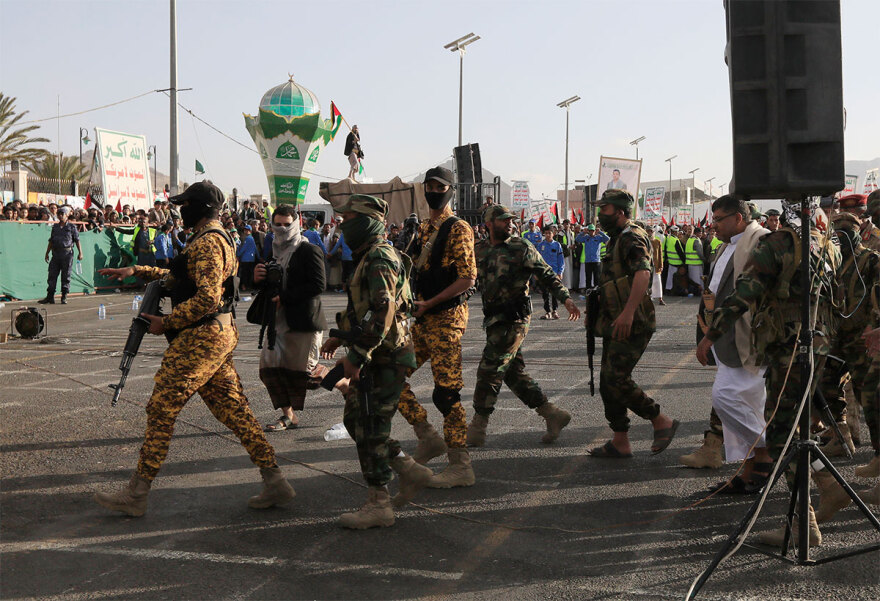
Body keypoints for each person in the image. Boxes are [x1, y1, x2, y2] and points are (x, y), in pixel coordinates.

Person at [94, 181, 294, 517]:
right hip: (215, 334)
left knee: (161, 408)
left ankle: (137, 494)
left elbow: (206, 298)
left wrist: (167, 323)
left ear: (200, 208)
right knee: (234, 409)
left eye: (185, 204)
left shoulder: (207, 242)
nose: (181, 210)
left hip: (201, 337)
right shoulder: (211, 238)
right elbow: (181, 280)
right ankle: (274, 480)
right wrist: (137, 270)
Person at [696, 198, 845, 546]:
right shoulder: (828, 246)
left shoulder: (777, 246)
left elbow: (742, 295)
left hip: (787, 349)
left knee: (781, 435)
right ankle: (828, 488)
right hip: (819, 346)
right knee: (798, 427)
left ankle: (805, 526)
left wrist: (710, 336)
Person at [318, 194, 432, 528]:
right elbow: (366, 308)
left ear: (366, 220)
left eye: (349, 218)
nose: (342, 223)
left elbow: (384, 310)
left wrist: (356, 355)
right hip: (379, 352)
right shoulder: (372, 255)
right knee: (357, 421)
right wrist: (342, 335)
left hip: (384, 357)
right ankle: (409, 470)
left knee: (368, 424)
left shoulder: (379, 257)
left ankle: (379, 502)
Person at [467, 205, 581, 447]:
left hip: (514, 319)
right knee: (513, 373)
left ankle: (478, 427)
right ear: (489, 223)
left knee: (490, 369)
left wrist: (566, 299)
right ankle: (552, 414)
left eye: (511, 220)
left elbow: (547, 274)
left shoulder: (521, 247)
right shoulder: (480, 250)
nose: (509, 224)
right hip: (493, 320)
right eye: (502, 220)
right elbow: (470, 280)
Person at [396, 166, 478, 489]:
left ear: (450, 191)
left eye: (439, 186)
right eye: (428, 186)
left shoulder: (457, 228)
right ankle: (427, 435)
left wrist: (431, 302)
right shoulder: (426, 228)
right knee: (392, 374)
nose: (433, 191)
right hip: (424, 318)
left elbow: (468, 277)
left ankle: (461, 464)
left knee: (446, 393)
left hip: (446, 319)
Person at [586, 190, 678, 458]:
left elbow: (643, 274)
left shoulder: (631, 237)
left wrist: (627, 313)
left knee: (615, 378)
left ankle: (660, 419)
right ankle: (620, 440)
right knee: (607, 381)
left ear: (621, 212)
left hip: (633, 321)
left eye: (605, 209)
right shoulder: (616, 238)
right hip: (617, 318)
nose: (600, 215)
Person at [692, 196, 773, 493]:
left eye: (719, 220)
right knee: (746, 406)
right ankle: (750, 472)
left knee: (726, 397)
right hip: (725, 335)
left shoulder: (760, 240)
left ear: (738, 218)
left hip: (749, 335)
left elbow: (751, 292)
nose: (713, 226)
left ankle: (770, 449)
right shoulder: (727, 245)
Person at [256, 205, 332, 432]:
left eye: (287, 224)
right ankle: (288, 416)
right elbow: (270, 284)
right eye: (277, 224)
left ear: (296, 223)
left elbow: (319, 284)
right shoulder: (273, 249)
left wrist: (286, 297)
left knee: (305, 372)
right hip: (277, 320)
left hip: (303, 319)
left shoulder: (307, 250)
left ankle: (343, 382)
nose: (282, 229)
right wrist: (258, 278)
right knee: (269, 368)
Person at [38, 206, 82, 305]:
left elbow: (77, 240)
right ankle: (50, 297)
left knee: (66, 275)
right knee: (52, 275)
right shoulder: (55, 227)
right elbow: (51, 240)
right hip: (56, 254)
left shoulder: (71, 227)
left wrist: (80, 252)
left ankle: (64, 296)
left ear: (67, 215)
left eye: (62, 214)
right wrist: (47, 252)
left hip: (67, 253)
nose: (60, 216)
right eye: (59, 214)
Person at [536, 226, 565, 319]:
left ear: (553, 233)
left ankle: (554, 311)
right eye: (546, 233)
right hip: (544, 273)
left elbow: (561, 260)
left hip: (554, 272)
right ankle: (547, 311)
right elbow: (537, 260)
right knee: (545, 293)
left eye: (550, 233)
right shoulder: (540, 245)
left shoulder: (557, 245)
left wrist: (560, 271)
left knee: (555, 293)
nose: (548, 235)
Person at [577, 224, 609, 290]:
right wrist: (583, 232)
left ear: (594, 230)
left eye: (592, 230)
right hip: (588, 261)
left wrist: (600, 232)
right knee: (588, 278)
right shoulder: (586, 238)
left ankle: (596, 293)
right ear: (588, 231)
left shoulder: (598, 237)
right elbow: (577, 239)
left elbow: (607, 238)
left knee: (596, 278)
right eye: (590, 230)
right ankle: (588, 293)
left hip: (596, 261)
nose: (591, 232)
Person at [236, 224, 260, 291]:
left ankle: (244, 285)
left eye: (247, 230)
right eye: (245, 230)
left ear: (250, 231)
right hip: (251, 259)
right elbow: (255, 249)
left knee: (245, 273)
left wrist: (238, 254)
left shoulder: (248, 238)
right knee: (249, 273)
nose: (246, 231)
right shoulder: (251, 238)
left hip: (246, 259)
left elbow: (244, 248)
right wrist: (258, 256)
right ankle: (248, 285)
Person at [647, 225, 666, 306]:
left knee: (658, 281)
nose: (649, 233)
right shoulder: (644, 241)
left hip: (656, 265)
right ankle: (648, 298)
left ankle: (660, 298)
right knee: (648, 282)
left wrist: (661, 265)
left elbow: (660, 255)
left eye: (651, 231)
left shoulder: (657, 242)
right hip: (647, 265)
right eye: (648, 231)